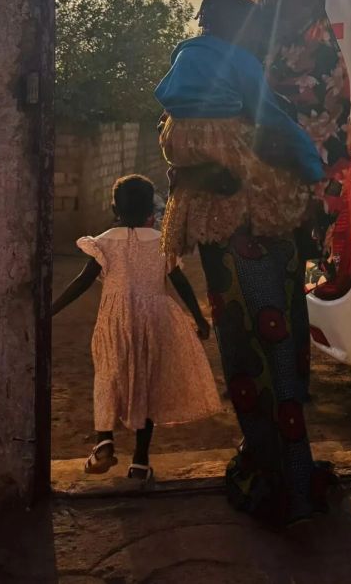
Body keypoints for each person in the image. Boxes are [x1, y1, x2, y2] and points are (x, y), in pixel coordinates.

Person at [157, 0, 333, 528]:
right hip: (259, 215)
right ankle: (288, 479)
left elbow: (178, 149)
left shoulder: (184, 70)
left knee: (245, 343)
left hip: (222, 224)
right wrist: (312, 168)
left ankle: (269, 464)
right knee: (275, 343)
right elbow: (273, 123)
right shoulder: (243, 70)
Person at [51, 173, 221, 485]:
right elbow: (180, 282)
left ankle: (104, 440)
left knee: (108, 374)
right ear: (150, 210)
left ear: (114, 208)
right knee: (146, 382)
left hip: (116, 319)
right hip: (155, 318)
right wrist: (199, 318)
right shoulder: (160, 242)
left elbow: (83, 281)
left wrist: (51, 310)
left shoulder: (105, 242)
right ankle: (140, 462)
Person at [155, 0, 324, 260]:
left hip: (175, 138)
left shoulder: (185, 52)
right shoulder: (239, 58)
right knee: (279, 179)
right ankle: (305, 242)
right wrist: (310, 162)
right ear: (241, 30)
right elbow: (268, 113)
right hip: (220, 137)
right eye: (256, 32)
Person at [249, 0, 351, 272]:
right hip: (243, 206)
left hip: (302, 209)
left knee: (289, 287)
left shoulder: (326, 61)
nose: (286, 5)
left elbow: (332, 142)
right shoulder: (246, 48)